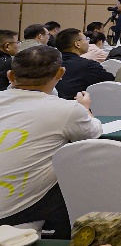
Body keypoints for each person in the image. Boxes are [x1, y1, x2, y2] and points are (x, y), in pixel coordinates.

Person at [0, 46, 102, 238]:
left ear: (10, 76)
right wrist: (85, 109)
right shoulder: (68, 110)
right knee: (78, 172)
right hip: (13, 213)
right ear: (60, 73)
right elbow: (93, 132)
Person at [54, 28, 113, 99]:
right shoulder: (88, 66)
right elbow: (110, 83)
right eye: (86, 39)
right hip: (75, 103)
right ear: (77, 44)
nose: (88, 42)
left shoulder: (49, 63)